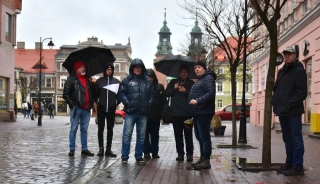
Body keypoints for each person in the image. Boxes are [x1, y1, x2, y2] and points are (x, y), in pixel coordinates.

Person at [272, 46, 307, 176]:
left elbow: (301, 93)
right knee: (287, 138)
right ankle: (289, 163)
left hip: (293, 111)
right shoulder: (281, 71)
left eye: (289, 54)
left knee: (296, 138)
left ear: (295, 55)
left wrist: (288, 104)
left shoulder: (299, 71)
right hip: (283, 111)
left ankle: (297, 166)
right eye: (285, 54)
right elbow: (276, 88)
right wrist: (274, 101)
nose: (287, 56)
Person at [118, 58, 154, 164]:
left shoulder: (148, 81)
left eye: (139, 67)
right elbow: (121, 93)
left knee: (141, 136)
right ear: (132, 68)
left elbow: (152, 94)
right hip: (130, 111)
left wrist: (149, 103)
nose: (138, 69)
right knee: (127, 134)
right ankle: (124, 156)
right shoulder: (127, 80)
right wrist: (127, 102)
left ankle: (139, 156)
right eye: (136, 67)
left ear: (142, 68)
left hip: (143, 112)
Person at [63, 60, 96, 157]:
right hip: (76, 108)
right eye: (81, 67)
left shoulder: (88, 79)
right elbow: (65, 94)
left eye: (84, 67)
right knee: (74, 129)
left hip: (86, 109)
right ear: (76, 69)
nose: (83, 68)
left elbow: (93, 93)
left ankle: (84, 149)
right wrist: (72, 104)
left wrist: (93, 84)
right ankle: (72, 149)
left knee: (84, 129)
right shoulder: (71, 79)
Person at [188, 61, 216, 170]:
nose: (197, 69)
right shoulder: (200, 80)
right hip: (197, 112)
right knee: (199, 137)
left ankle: (206, 160)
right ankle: (202, 158)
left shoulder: (208, 78)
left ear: (204, 68)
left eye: (199, 67)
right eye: (195, 68)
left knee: (204, 137)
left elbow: (211, 93)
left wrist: (197, 101)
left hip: (204, 112)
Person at [165, 64, 195, 162]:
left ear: (188, 74)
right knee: (178, 135)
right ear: (179, 73)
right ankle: (180, 153)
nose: (183, 74)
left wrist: (185, 91)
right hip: (175, 114)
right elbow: (166, 93)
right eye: (182, 72)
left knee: (188, 135)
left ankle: (189, 154)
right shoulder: (173, 82)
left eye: (185, 72)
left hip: (188, 114)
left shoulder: (191, 83)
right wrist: (173, 88)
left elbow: (194, 96)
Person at [95, 62, 121, 157]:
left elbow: (120, 95)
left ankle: (108, 149)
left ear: (113, 71)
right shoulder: (100, 81)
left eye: (111, 70)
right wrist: (98, 101)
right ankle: (101, 148)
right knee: (100, 129)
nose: (109, 71)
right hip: (101, 108)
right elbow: (95, 94)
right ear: (105, 71)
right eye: (107, 69)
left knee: (110, 129)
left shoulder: (117, 82)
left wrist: (115, 103)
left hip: (111, 109)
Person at [143, 69, 167, 159]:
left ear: (153, 78)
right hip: (145, 115)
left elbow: (163, 100)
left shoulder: (159, 87)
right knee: (145, 135)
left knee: (155, 135)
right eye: (147, 77)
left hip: (156, 115)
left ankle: (154, 152)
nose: (149, 79)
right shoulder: (143, 87)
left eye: (151, 77)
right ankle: (146, 151)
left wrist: (163, 111)